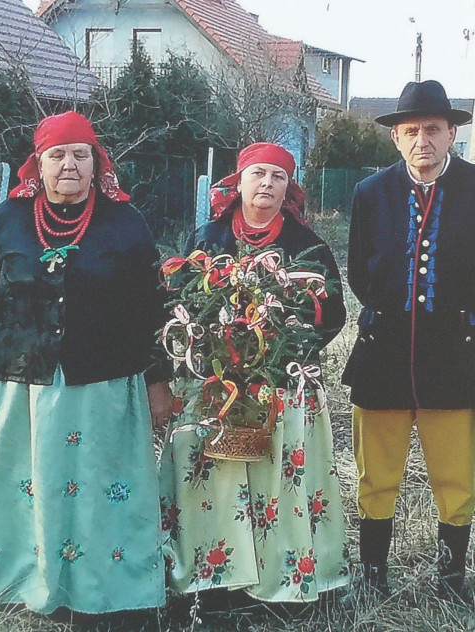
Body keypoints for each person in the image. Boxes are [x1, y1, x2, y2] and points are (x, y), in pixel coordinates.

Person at [0, 111, 174, 616]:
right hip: (16, 384)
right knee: (23, 483)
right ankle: (21, 581)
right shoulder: (8, 219)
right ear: (39, 164)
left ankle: (99, 585)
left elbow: (151, 307)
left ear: (96, 164)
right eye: (57, 155)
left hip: (103, 385)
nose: (69, 164)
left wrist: (159, 380)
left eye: (79, 155)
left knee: (95, 487)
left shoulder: (126, 223)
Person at [159, 142, 349, 603]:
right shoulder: (208, 239)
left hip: (282, 385)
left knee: (277, 479)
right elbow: (178, 300)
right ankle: (214, 579)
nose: (266, 184)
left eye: (278, 176)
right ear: (238, 181)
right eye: (258, 174)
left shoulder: (307, 246)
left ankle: (282, 578)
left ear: (289, 187)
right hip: (213, 385)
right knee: (213, 478)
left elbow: (333, 313)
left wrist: (286, 347)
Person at [342, 80, 475, 598]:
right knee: (375, 476)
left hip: (456, 355)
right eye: (411, 131)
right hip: (383, 354)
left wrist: (456, 310)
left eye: (433, 129)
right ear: (396, 137)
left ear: (452, 133)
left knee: (455, 477)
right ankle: (374, 578)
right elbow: (359, 270)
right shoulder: (370, 192)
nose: (423, 141)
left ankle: (451, 579)